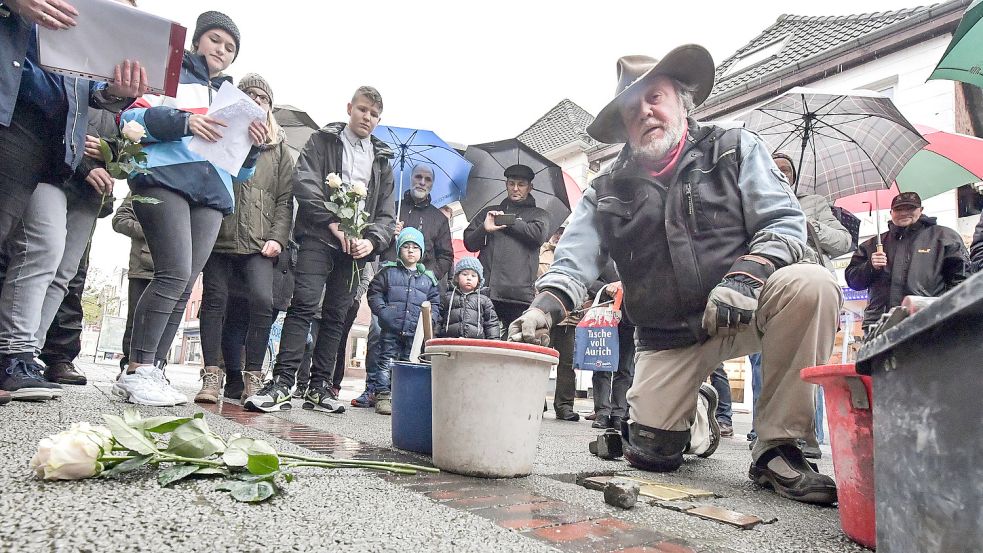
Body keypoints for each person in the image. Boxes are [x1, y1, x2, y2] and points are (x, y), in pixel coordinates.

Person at [511, 46, 842, 505]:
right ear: (624, 125)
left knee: (812, 284)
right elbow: (575, 260)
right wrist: (544, 309)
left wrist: (746, 277)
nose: (644, 112)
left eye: (655, 97)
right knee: (652, 455)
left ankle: (778, 446)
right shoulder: (605, 189)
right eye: (631, 109)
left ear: (682, 101)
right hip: (668, 335)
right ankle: (697, 413)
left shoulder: (734, 148)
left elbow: (783, 222)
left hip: (746, 306)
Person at [112, 11, 267, 406]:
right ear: (198, 41)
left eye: (231, 47)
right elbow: (130, 117)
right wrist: (185, 123)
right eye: (216, 40)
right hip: (165, 177)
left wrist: (254, 148)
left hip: (212, 192)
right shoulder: (171, 75)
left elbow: (241, 172)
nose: (222, 50)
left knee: (184, 285)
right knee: (172, 273)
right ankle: (136, 369)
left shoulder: (236, 101)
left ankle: (155, 369)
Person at [0, 0, 147, 403]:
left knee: (53, 263)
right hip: (32, 140)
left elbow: (77, 95)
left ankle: (21, 356)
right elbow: (38, 80)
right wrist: (83, 163)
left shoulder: (99, 56)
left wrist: (113, 94)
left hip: (57, 160)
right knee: (35, 253)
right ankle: (15, 354)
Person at [244, 86, 396, 414]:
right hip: (318, 237)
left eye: (373, 114)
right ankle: (283, 383)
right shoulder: (323, 140)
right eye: (362, 110)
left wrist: (371, 240)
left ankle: (320, 387)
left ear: (378, 119)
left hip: (356, 252)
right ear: (349, 108)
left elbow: (386, 213)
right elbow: (305, 182)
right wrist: (332, 222)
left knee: (337, 317)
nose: (366, 117)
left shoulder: (382, 160)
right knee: (303, 306)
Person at [746, 152, 855, 457]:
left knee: (808, 364)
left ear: (793, 176)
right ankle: (762, 430)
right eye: (775, 168)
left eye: (787, 169)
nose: (781, 173)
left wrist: (806, 224)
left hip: (812, 286)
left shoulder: (815, 203)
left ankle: (807, 434)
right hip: (770, 289)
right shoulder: (756, 203)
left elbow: (843, 242)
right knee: (761, 365)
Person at [194, 73, 294, 404]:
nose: (256, 101)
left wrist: (278, 237)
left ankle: (254, 377)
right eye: (249, 95)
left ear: (269, 107)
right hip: (220, 234)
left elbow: (284, 198)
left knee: (262, 301)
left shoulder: (279, 149)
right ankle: (211, 376)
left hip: (260, 240)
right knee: (214, 301)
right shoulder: (220, 132)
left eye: (262, 98)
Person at [846, 191, 969, 333]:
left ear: (921, 210)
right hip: (880, 325)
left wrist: (951, 314)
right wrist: (870, 267)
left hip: (930, 322)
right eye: (898, 209)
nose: (904, 213)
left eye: (910, 208)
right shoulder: (873, 244)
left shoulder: (944, 237)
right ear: (891, 212)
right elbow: (853, 281)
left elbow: (962, 279)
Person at [463, 163, 550, 330]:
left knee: (514, 347)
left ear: (530, 187)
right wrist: (484, 229)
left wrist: (507, 221)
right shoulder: (489, 212)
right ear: (506, 185)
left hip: (519, 297)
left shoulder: (539, 214)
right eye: (511, 184)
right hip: (486, 291)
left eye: (521, 184)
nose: (515, 188)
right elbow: (469, 243)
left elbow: (538, 236)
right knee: (480, 343)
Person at [367, 228, 440, 415]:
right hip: (391, 328)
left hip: (414, 333)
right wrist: (383, 312)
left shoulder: (428, 279)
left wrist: (427, 321)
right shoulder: (388, 272)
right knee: (386, 362)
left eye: (415, 247)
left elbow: (435, 304)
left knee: (409, 364)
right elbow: (374, 292)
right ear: (399, 250)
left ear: (421, 252)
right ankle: (383, 395)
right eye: (406, 246)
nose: (410, 251)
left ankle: (403, 398)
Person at [112, 195, 153, 375]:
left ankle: (157, 367)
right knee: (137, 320)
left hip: (174, 268)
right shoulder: (146, 180)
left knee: (165, 322)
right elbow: (120, 219)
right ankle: (128, 367)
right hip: (143, 266)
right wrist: (152, 230)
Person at [590, 280, 635, 431]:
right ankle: (602, 412)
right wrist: (605, 288)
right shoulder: (601, 258)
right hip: (604, 315)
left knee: (625, 369)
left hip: (630, 317)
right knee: (601, 366)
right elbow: (588, 280)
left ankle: (618, 414)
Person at [437, 257, 500, 340]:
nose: (469, 278)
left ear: (479, 280)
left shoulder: (484, 301)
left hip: (475, 345)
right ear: (456, 277)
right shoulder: (447, 298)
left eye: (473, 275)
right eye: (465, 274)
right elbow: (438, 321)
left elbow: (491, 324)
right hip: (449, 342)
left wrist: (493, 344)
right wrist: (434, 339)